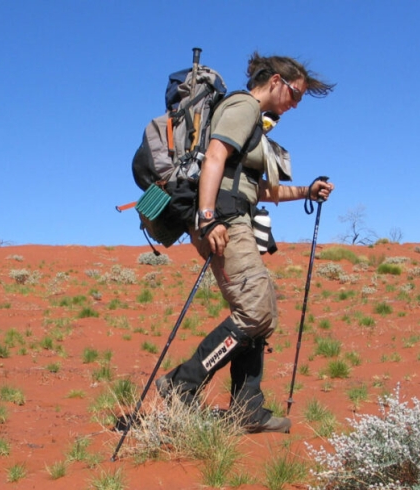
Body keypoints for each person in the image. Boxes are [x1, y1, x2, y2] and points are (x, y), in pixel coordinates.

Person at [156, 52, 335, 433]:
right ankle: (181, 385)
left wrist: (307, 191)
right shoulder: (243, 107)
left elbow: (260, 190)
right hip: (223, 220)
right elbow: (215, 157)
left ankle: (247, 409)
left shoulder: (256, 123)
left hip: (234, 216)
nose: (296, 103)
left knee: (262, 310)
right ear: (274, 81)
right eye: (295, 94)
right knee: (255, 311)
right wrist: (207, 218)